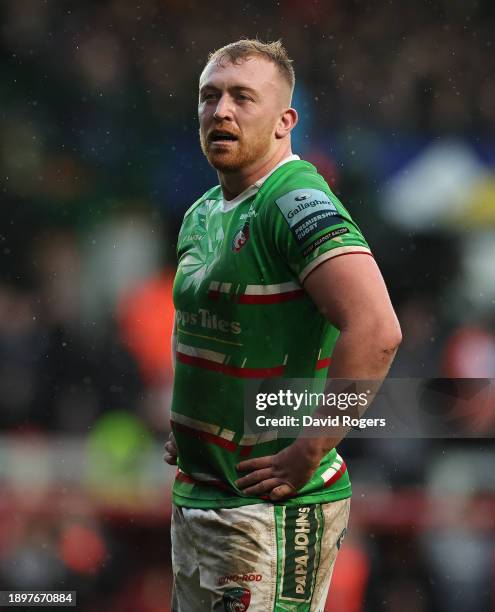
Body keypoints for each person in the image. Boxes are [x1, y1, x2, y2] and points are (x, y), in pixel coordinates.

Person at [164, 39, 401, 611]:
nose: (220, 111)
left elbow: (377, 329)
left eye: (243, 97)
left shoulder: (292, 199)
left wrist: (311, 448)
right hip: (203, 498)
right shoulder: (204, 212)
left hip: (269, 515)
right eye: (209, 96)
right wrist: (200, 424)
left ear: (284, 121)